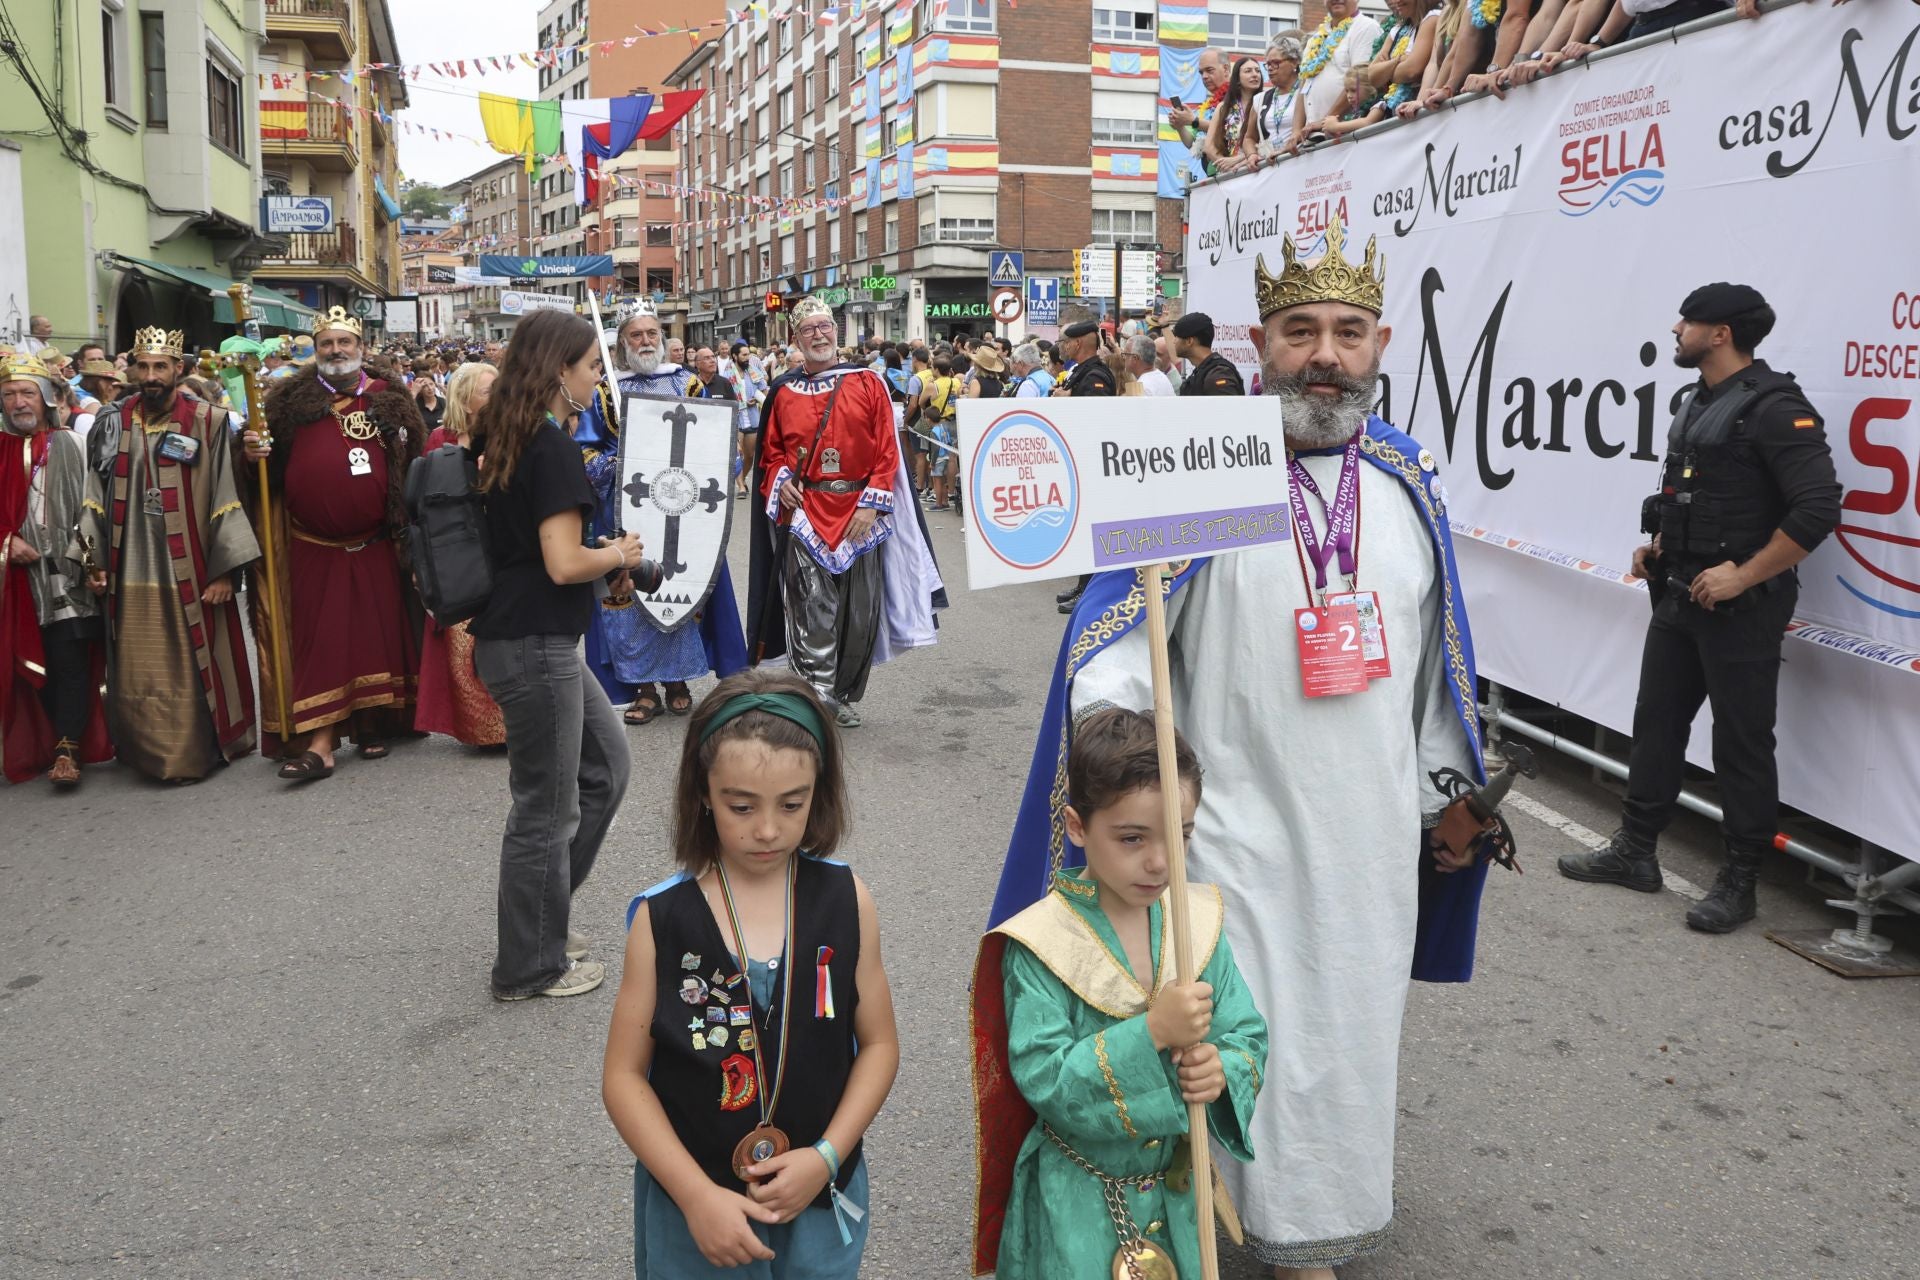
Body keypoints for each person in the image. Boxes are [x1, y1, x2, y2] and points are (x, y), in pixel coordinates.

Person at [996, 215, 1498, 1278]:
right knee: (1232, 1039)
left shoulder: (1407, 484)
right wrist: (1133, 797)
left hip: (1366, 839)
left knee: (1347, 1038)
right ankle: (1207, 1225)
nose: (1326, 353)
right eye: (1301, 329)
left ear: (1382, 343)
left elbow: (1435, 673)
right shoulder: (1199, 470)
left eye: (1349, 331)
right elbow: (1115, 652)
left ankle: (1321, 1221)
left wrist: (1447, 802)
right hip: (1227, 838)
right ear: (1261, 342)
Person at [1557, 284, 1841, 934]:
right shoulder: (1699, 403)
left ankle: (1739, 883)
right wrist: (1658, 545)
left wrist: (1743, 576)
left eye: (1690, 320)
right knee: (1655, 723)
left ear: (1720, 334)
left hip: (1742, 609)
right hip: (1679, 594)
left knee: (1740, 744)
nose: (1677, 328)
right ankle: (1635, 852)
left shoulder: (1776, 408)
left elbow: (1818, 508)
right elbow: (1695, 494)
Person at [603, 670, 898, 1275]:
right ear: (702, 794)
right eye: (741, 806)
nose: (767, 829)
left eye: (793, 804)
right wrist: (693, 1195)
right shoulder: (661, 920)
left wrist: (827, 1154)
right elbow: (624, 1078)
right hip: (699, 1209)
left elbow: (879, 1045)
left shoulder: (848, 900)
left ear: (819, 791)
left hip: (816, 1197)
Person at [972, 709, 1269, 1280]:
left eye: (1179, 836)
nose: (1160, 862)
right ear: (1078, 827)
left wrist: (1221, 1068)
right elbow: (1046, 1078)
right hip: (1076, 1200)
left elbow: (1245, 1032)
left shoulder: (1196, 924)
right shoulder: (1041, 943)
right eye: (1132, 838)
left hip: (1178, 1196)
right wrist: (1152, 1033)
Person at [468, 308, 643, 1001]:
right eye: (593, 365)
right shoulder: (548, 445)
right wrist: (619, 554)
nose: (599, 375)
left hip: (535, 639)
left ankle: (545, 919)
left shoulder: (513, 434)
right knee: (546, 807)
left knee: (606, 770)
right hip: (533, 644)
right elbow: (565, 562)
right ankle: (528, 966)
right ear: (560, 370)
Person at [246, 306, 425, 781]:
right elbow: (262, 475)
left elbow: (414, 463)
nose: (336, 351)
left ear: (361, 349)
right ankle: (320, 743)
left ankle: (373, 724)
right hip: (312, 544)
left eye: (344, 343)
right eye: (327, 343)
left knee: (375, 637)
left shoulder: (389, 398)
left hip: (377, 542)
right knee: (321, 642)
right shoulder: (287, 402)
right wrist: (252, 456)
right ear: (316, 350)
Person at [749, 297, 942, 729]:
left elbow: (886, 450)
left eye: (825, 327)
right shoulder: (782, 390)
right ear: (796, 339)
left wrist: (873, 504)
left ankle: (840, 692)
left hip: (860, 514)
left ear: (836, 333)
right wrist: (782, 481)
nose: (819, 335)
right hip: (807, 512)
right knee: (809, 607)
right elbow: (772, 452)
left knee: (859, 615)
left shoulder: (869, 383)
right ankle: (814, 696)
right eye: (809, 330)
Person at [78, 326, 261, 783]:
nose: (152, 375)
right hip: (129, 564)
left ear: (179, 369)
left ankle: (193, 751)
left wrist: (224, 574)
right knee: (139, 660)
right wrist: (91, 560)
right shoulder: (112, 421)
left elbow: (225, 492)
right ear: (132, 370)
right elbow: (93, 493)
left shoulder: (210, 421)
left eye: (161, 366)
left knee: (191, 657)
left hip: (192, 565)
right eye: (143, 366)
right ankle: (144, 752)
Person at [602, 301, 750, 725]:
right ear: (623, 342)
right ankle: (644, 689)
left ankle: (679, 682)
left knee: (679, 587)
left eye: (652, 334)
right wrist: (618, 463)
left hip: (684, 513)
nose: (646, 341)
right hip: (627, 512)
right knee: (633, 599)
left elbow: (714, 441)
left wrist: (727, 462)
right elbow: (588, 451)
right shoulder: (605, 392)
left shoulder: (687, 385)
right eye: (637, 335)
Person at [2, 353, 110, 787]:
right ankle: (38, 742)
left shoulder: (72, 443)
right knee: (32, 664)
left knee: (69, 661)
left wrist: (88, 560)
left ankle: (68, 748)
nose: (19, 402)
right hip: (17, 581)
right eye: (9, 395)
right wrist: (8, 543)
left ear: (47, 398)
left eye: (27, 392)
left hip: (68, 576)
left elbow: (92, 503)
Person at [414, 361, 506, 747]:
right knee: (462, 642)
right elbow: (427, 504)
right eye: (488, 391)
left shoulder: (508, 435)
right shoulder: (440, 439)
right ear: (465, 399)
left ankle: (510, 723)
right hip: (458, 554)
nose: (497, 397)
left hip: (499, 547)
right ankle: (480, 729)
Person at [1286, 0, 1383, 151]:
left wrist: (1323, 123)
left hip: (1349, 138)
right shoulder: (1315, 39)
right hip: (1314, 139)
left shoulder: (1366, 27)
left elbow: (1360, 81)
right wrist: (1297, 131)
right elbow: (1303, 87)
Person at [1203, 57, 1267, 175]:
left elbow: (1268, 143)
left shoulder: (1266, 103)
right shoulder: (1223, 107)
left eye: (1257, 71)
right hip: (1231, 175)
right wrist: (1226, 166)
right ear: (1237, 78)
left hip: (1259, 169)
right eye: (1248, 71)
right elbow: (1208, 147)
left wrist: (1237, 160)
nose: (1255, 75)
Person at [1172, 313, 1246, 397]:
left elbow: (1227, 408)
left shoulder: (1218, 375)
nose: (1174, 341)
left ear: (1189, 341)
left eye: (1177, 337)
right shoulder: (1203, 371)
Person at [1256, 36, 1305, 154]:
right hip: (1272, 163)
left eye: (1276, 63)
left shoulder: (1306, 91)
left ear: (1294, 62)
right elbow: (1248, 138)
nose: (1270, 69)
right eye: (1268, 64)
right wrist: (1252, 154)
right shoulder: (1261, 98)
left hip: (1298, 159)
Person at [1057, 321, 1116, 398]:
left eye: (1068, 342)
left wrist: (1067, 398)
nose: (1066, 347)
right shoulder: (1081, 370)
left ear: (1077, 343)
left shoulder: (1095, 377)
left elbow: (1096, 407)